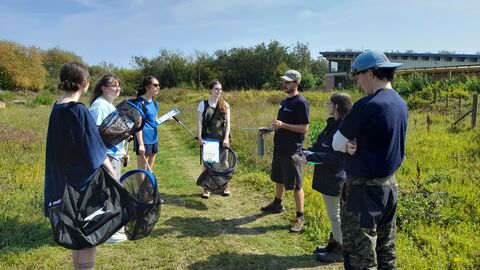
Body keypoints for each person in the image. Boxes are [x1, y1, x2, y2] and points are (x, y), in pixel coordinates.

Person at [332, 50, 408, 269]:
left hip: (363, 192)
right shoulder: (400, 103)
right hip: (389, 187)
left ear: (371, 73)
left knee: (360, 255)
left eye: (358, 75)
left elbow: (336, 143)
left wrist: (347, 144)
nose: (358, 81)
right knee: (386, 249)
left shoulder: (367, 105)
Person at [44, 62, 116, 270]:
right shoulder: (79, 110)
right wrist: (113, 175)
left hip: (64, 181)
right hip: (83, 183)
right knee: (88, 234)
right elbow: (96, 151)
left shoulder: (57, 107)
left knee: (77, 231)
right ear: (85, 83)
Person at [293, 92, 352, 262]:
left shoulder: (343, 128)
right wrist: (304, 151)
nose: (327, 105)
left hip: (336, 177)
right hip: (327, 176)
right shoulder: (331, 125)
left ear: (337, 107)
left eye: (329, 103)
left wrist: (309, 157)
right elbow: (320, 147)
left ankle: (340, 251)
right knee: (334, 214)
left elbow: (336, 158)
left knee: (335, 215)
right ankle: (333, 244)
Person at [260, 70, 310, 232]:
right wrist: (270, 129)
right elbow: (282, 124)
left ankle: (300, 216)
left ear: (296, 83)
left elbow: (304, 128)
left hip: (293, 150)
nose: (284, 84)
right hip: (280, 147)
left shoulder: (301, 102)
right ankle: (277, 204)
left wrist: (283, 125)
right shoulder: (284, 101)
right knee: (279, 178)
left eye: (288, 82)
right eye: (283, 82)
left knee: (296, 184)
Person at [89, 75, 128, 243]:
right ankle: (106, 232)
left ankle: (109, 228)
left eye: (119, 85)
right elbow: (95, 134)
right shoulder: (99, 106)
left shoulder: (108, 105)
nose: (117, 88)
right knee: (107, 192)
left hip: (114, 154)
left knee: (111, 191)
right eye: (113, 85)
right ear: (103, 88)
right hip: (106, 156)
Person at [197, 79, 231, 198]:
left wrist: (226, 138)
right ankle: (207, 189)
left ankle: (225, 186)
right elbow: (200, 122)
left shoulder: (225, 104)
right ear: (210, 90)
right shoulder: (203, 104)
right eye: (216, 89)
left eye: (220, 89)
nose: (218, 91)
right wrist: (200, 137)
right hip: (209, 139)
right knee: (208, 163)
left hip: (222, 139)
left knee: (224, 162)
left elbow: (228, 124)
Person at [134, 76, 160, 171]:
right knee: (142, 169)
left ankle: (148, 186)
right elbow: (138, 125)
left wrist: (166, 119)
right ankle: (141, 186)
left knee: (150, 168)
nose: (158, 87)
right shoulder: (139, 102)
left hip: (154, 138)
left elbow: (154, 122)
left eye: (159, 85)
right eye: (155, 85)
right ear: (147, 86)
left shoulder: (155, 103)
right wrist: (141, 144)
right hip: (144, 139)